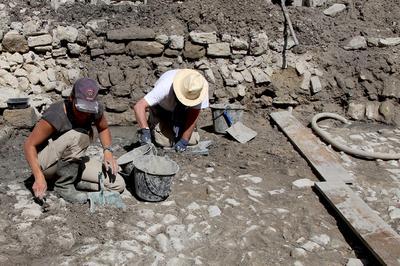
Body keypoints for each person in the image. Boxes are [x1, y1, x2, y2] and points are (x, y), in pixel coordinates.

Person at [24, 78, 125, 203]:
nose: (85, 114)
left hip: (70, 164)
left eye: (89, 110)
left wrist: (108, 151)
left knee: (117, 184)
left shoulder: (96, 109)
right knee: (80, 136)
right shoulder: (56, 114)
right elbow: (29, 145)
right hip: (46, 165)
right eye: (81, 109)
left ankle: (70, 181)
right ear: (71, 98)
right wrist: (38, 177)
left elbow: (103, 128)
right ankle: (63, 186)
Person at [133, 69, 209, 152]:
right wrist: (145, 132)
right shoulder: (165, 86)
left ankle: (176, 128)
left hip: (183, 112)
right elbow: (139, 106)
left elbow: (194, 113)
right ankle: (153, 125)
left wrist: (184, 140)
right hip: (161, 109)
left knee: (193, 140)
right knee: (165, 142)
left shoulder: (199, 89)